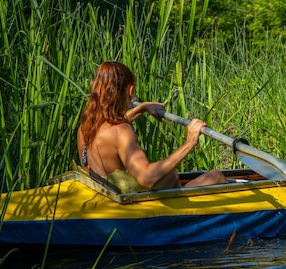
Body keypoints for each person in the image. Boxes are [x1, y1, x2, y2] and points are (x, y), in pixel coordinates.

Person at [77, 61, 227, 192]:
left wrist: (140, 108)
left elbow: (110, 130)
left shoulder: (86, 126)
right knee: (216, 176)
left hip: (107, 194)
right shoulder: (121, 131)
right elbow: (147, 178)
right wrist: (189, 142)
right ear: (130, 91)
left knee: (169, 175)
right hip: (133, 206)